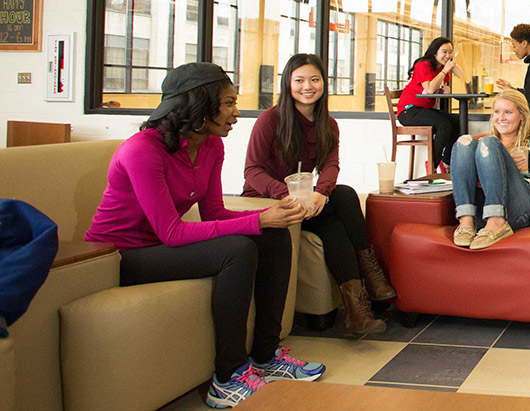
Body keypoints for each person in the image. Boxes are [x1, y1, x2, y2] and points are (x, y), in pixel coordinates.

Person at [83, 62, 324, 408]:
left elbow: (214, 213)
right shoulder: (142, 150)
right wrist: (258, 221)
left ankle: (265, 356)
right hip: (121, 256)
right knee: (237, 250)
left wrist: (271, 217)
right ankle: (227, 377)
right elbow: (172, 232)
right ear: (198, 104)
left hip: (161, 249)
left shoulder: (211, 146)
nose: (236, 113)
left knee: (274, 236)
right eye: (228, 103)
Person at [242, 54, 395, 338]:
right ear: (287, 83)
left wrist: (321, 193)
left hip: (303, 199)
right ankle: (371, 280)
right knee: (347, 197)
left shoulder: (328, 124)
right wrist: (288, 194)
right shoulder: (269, 120)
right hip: (266, 200)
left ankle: (357, 313)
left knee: (336, 218)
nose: (307, 86)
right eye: (299, 80)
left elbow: (330, 164)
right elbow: (252, 171)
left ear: (324, 83)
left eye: (314, 79)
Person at [449, 89, 530, 250]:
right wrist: (483, 175)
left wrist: (508, 167)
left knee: (489, 143)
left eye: (508, 112)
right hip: (482, 212)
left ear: (522, 115)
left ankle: (497, 221)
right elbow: (463, 180)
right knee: (464, 141)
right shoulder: (480, 147)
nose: (501, 118)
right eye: (497, 112)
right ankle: (466, 222)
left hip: (520, 210)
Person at [398, 37, 469, 170]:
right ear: (435, 52)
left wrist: (444, 89)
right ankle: (432, 164)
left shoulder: (441, 68)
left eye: (450, 52)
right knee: (445, 125)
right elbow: (430, 89)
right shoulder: (423, 65)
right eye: (444, 52)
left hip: (424, 110)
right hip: (409, 111)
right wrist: (445, 70)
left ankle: (446, 161)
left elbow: (462, 77)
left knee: (458, 121)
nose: (448, 55)